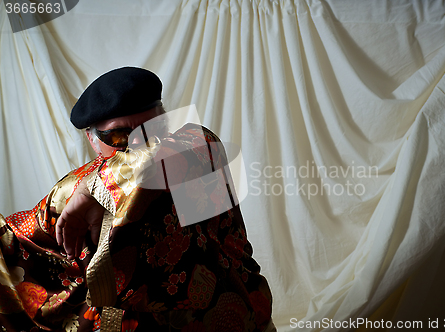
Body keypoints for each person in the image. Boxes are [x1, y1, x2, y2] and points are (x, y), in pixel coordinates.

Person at [0, 67, 274, 332]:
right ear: (92, 140)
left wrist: (93, 189)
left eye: (151, 130)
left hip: (225, 314)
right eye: (119, 135)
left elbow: (167, 154)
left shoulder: (198, 152)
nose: (138, 144)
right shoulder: (68, 190)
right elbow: (20, 239)